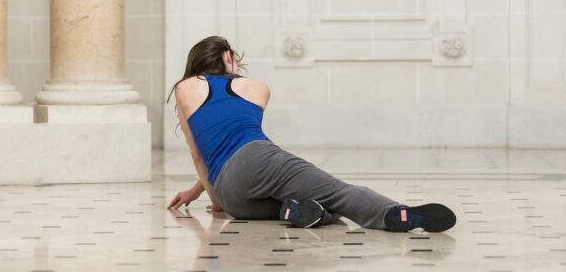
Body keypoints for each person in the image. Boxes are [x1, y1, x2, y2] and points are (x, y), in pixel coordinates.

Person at [166, 36, 456, 232]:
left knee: (305, 206)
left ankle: (294, 211)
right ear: (228, 57)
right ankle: (397, 215)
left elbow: (202, 154)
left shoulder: (184, 88)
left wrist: (212, 199)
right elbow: (237, 144)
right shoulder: (256, 88)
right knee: (338, 194)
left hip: (233, 200)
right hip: (257, 158)